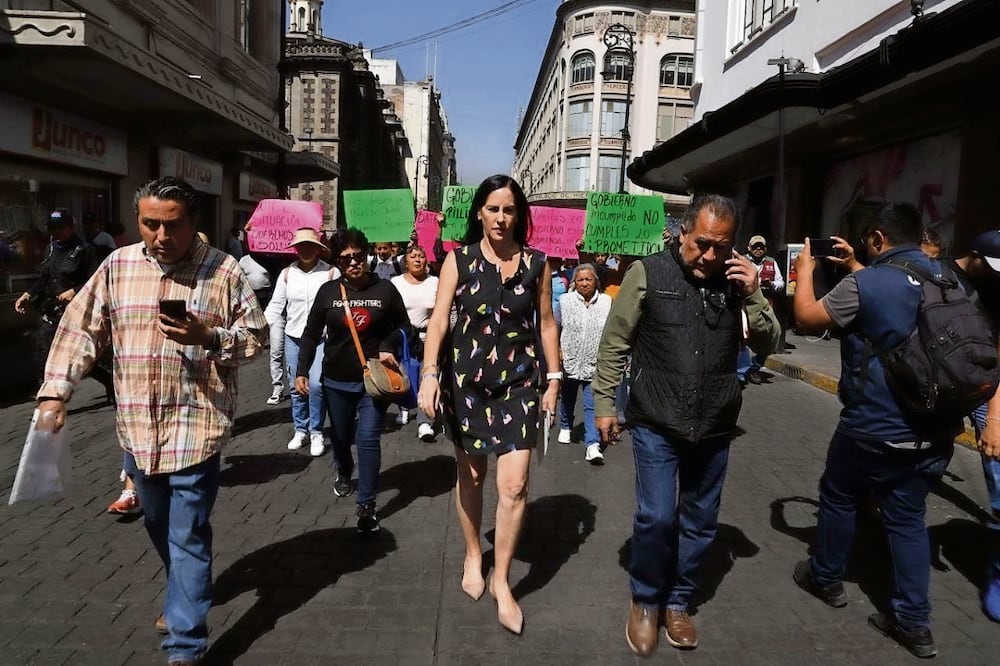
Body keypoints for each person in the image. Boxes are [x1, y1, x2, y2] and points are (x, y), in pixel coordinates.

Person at [34, 176, 266, 664]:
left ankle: (185, 644)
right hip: (137, 432)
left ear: (194, 223)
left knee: (187, 533)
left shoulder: (222, 271)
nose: (162, 236)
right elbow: (80, 330)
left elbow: (256, 338)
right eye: (150, 224)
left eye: (173, 225)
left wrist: (209, 336)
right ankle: (187, 585)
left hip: (196, 429)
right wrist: (55, 394)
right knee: (160, 524)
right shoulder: (117, 266)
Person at [592, 194, 780, 656]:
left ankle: (678, 600)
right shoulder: (647, 273)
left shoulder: (739, 283)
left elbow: (769, 342)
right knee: (656, 517)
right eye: (701, 244)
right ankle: (646, 600)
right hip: (656, 418)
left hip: (715, 422)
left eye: (721, 246)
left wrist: (755, 293)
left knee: (700, 520)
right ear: (682, 233)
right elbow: (615, 342)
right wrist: (604, 404)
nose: (710, 256)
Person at [791, 202, 962, 658]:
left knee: (839, 495)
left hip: (873, 428)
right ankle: (913, 623)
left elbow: (807, 319)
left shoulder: (864, 283)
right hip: (937, 429)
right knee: (908, 521)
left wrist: (805, 269)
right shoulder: (949, 278)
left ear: (879, 239)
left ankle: (826, 578)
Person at [418, 174, 560, 636]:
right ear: (479, 211)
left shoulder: (538, 264)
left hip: (520, 385)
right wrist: (429, 374)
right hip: (468, 385)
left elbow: (546, 324)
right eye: (493, 209)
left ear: (520, 215)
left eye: (510, 210)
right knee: (472, 475)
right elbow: (439, 319)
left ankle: (503, 579)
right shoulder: (458, 261)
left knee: (515, 485)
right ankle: (474, 552)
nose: (501, 218)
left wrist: (554, 381)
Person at [295, 228, 410, 533]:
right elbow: (310, 335)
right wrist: (302, 370)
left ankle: (367, 505)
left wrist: (389, 344)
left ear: (366, 255)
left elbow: (405, 328)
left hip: (373, 383)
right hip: (336, 380)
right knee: (341, 439)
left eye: (358, 256)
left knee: (369, 439)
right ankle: (344, 471)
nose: (354, 263)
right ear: (338, 262)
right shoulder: (328, 292)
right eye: (346, 259)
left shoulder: (385, 289)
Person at [940, 230, 1000, 622]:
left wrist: (994, 416)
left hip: (986, 391)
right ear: (975, 256)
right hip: (943, 385)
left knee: (997, 479)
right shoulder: (940, 277)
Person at [14, 208, 113, 401]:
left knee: (79, 356)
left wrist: (74, 291)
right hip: (51, 312)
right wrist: (28, 294)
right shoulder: (51, 249)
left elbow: (96, 280)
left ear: (71, 227)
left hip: (74, 312)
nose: (55, 231)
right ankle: (48, 399)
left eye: (59, 227)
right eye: (52, 227)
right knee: (44, 355)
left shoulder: (86, 250)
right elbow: (44, 279)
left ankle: (107, 379)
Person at [264, 228, 338, 457]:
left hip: (322, 338)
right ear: (295, 249)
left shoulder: (331, 273)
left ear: (318, 249)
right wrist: (259, 328)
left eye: (310, 245)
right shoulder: (287, 274)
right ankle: (301, 429)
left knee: (316, 384)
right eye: (301, 246)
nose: (305, 250)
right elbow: (276, 306)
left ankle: (316, 431)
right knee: (296, 386)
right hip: (294, 336)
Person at [556, 263, 612, 464]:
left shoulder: (607, 302)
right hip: (570, 360)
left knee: (591, 404)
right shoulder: (564, 301)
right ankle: (565, 425)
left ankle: (592, 445)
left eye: (588, 279)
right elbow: (555, 326)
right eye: (580, 279)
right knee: (568, 398)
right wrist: (558, 351)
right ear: (574, 282)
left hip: (594, 361)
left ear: (596, 281)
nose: (584, 283)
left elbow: (611, 332)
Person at [390, 245, 440, 438]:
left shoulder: (435, 282)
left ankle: (425, 421)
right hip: (403, 337)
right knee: (405, 374)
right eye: (413, 256)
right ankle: (403, 405)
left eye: (421, 256)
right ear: (405, 262)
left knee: (425, 376)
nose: (418, 260)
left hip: (427, 337)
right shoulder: (396, 283)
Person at [737, 234, 785, 385]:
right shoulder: (741, 260)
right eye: (755, 246)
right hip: (745, 306)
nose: (758, 249)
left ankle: (755, 367)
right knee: (743, 338)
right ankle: (742, 372)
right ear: (749, 248)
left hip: (766, 307)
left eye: (761, 247)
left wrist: (771, 284)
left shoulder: (771, 262)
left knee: (772, 336)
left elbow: (781, 283)